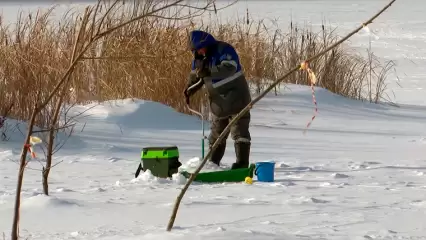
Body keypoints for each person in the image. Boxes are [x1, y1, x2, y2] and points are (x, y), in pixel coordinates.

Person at [183, 30, 252, 169]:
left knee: (239, 131)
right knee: (216, 133)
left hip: (237, 98)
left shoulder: (224, 49)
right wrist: (189, 90)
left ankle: (242, 164)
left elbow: (230, 67)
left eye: (200, 49)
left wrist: (209, 71)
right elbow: (196, 77)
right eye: (195, 50)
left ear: (207, 44)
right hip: (219, 103)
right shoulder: (198, 59)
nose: (199, 52)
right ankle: (212, 164)